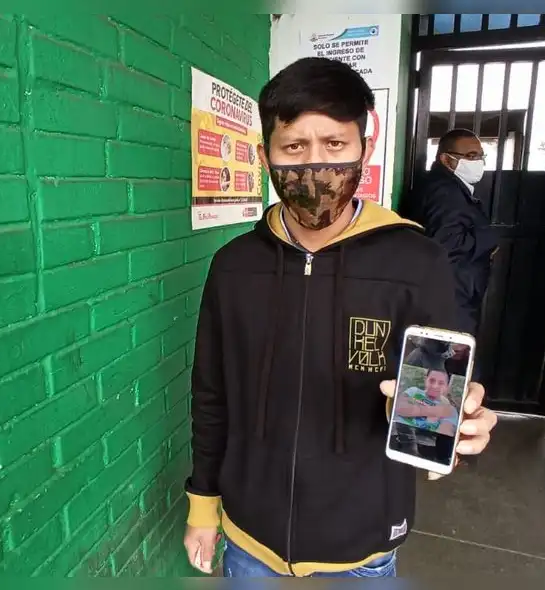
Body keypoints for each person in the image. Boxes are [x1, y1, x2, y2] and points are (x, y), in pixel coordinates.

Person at [182, 57, 499, 579]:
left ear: (364, 150)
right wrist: (202, 507)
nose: (315, 165)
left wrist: (456, 426)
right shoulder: (233, 268)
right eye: (293, 147)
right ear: (264, 156)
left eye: (334, 144)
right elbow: (211, 396)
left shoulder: (417, 263)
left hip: (364, 544)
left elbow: (434, 404)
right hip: (249, 536)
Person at [399, 129, 499, 338]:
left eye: (481, 156)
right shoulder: (445, 192)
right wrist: (488, 239)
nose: (478, 161)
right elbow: (446, 243)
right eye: (470, 156)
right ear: (446, 159)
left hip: (448, 293)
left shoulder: (447, 186)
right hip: (450, 297)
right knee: (449, 354)